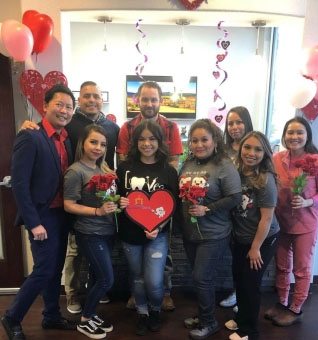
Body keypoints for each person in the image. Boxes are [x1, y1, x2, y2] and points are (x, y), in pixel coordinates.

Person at [21, 81, 120, 314]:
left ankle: (97, 290)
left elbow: (111, 158)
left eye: (96, 96)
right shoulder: (68, 123)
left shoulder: (112, 127)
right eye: (87, 96)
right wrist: (27, 126)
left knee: (98, 251)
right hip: (70, 200)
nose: (92, 100)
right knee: (73, 254)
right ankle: (73, 294)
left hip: (97, 196)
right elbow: (43, 137)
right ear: (80, 100)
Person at [1, 85, 76, 339]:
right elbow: (19, 184)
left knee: (54, 269)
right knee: (43, 269)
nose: (64, 110)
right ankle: (12, 318)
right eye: (59, 104)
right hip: (42, 217)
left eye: (69, 106)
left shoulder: (65, 138)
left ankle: (51, 316)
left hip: (60, 215)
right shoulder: (30, 136)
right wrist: (33, 223)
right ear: (45, 106)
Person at [117, 81, 183, 311]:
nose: (149, 103)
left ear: (160, 101)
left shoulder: (170, 126)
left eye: (153, 99)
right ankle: (138, 296)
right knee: (135, 262)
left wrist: (159, 178)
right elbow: (124, 160)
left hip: (161, 198)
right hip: (135, 201)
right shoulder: (127, 128)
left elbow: (174, 160)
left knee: (164, 251)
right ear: (138, 101)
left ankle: (163, 292)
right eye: (145, 99)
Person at [264, 116, 318, 327]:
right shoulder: (276, 158)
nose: (294, 137)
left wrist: (307, 201)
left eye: (299, 132)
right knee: (282, 267)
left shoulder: (317, 161)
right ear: (284, 136)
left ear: (307, 136)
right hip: (280, 222)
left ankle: (296, 308)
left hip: (306, 224)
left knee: (301, 269)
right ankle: (282, 302)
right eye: (290, 133)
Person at [180, 119, 242, 339]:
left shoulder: (224, 165)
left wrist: (208, 209)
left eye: (204, 139)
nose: (199, 144)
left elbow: (235, 197)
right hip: (191, 234)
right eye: (194, 140)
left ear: (215, 140)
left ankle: (209, 322)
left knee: (202, 278)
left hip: (214, 234)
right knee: (199, 278)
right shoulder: (188, 163)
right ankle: (202, 314)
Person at [64, 124, 127, 339]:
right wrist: (98, 211)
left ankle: (90, 316)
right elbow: (69, 204)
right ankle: (85, 319)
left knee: (96, 275)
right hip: (90, 233)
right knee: (106, 280)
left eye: (103, 144)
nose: (98, 147)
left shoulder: (104, 168)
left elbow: (109, 200)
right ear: (82, 143)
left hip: (107, 231)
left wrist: (120, 202)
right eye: (93, 142)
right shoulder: (76, 171)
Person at [224, 131, 279, 340]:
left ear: (265, 153)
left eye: (258, 149)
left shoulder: (265, 180)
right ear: (240, 148)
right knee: (239, 280)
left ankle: (249, 331)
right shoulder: (236, 172)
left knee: (250, 284)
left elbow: (266, 219)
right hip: (241, 238)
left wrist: (255, 248)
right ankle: (241, 320)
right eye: (248, 147)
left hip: (262, 240)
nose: (251, 153)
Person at [220, 106, 254, 309]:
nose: (234, 127)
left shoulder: (254, 145)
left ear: (247, 123)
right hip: (227, 210)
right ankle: (236, 291)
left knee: (247, 255)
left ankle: (244, 297)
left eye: (238, 122)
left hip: (248, 210)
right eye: (230, 123)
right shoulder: (223, 150)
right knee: (235, 256)